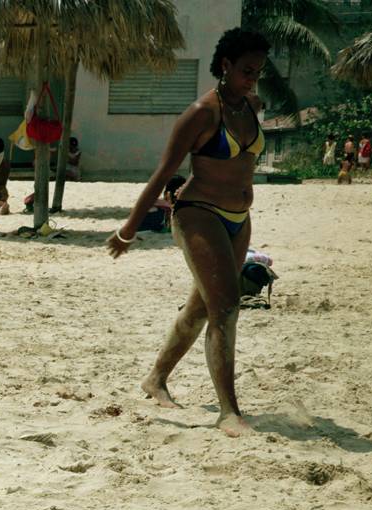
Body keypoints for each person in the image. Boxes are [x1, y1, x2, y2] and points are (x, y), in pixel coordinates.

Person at [107, 27, 269, 437]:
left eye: (258, 72)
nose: (252, 79)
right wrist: (128, 230)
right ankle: (229, 411)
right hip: (199, 213)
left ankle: (156, 379)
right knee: (227, 306)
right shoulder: (201, 113)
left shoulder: (253, 105)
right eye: (246, 70)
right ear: (226, 65)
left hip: (239, 218)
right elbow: (162, 173)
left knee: (202, 308)